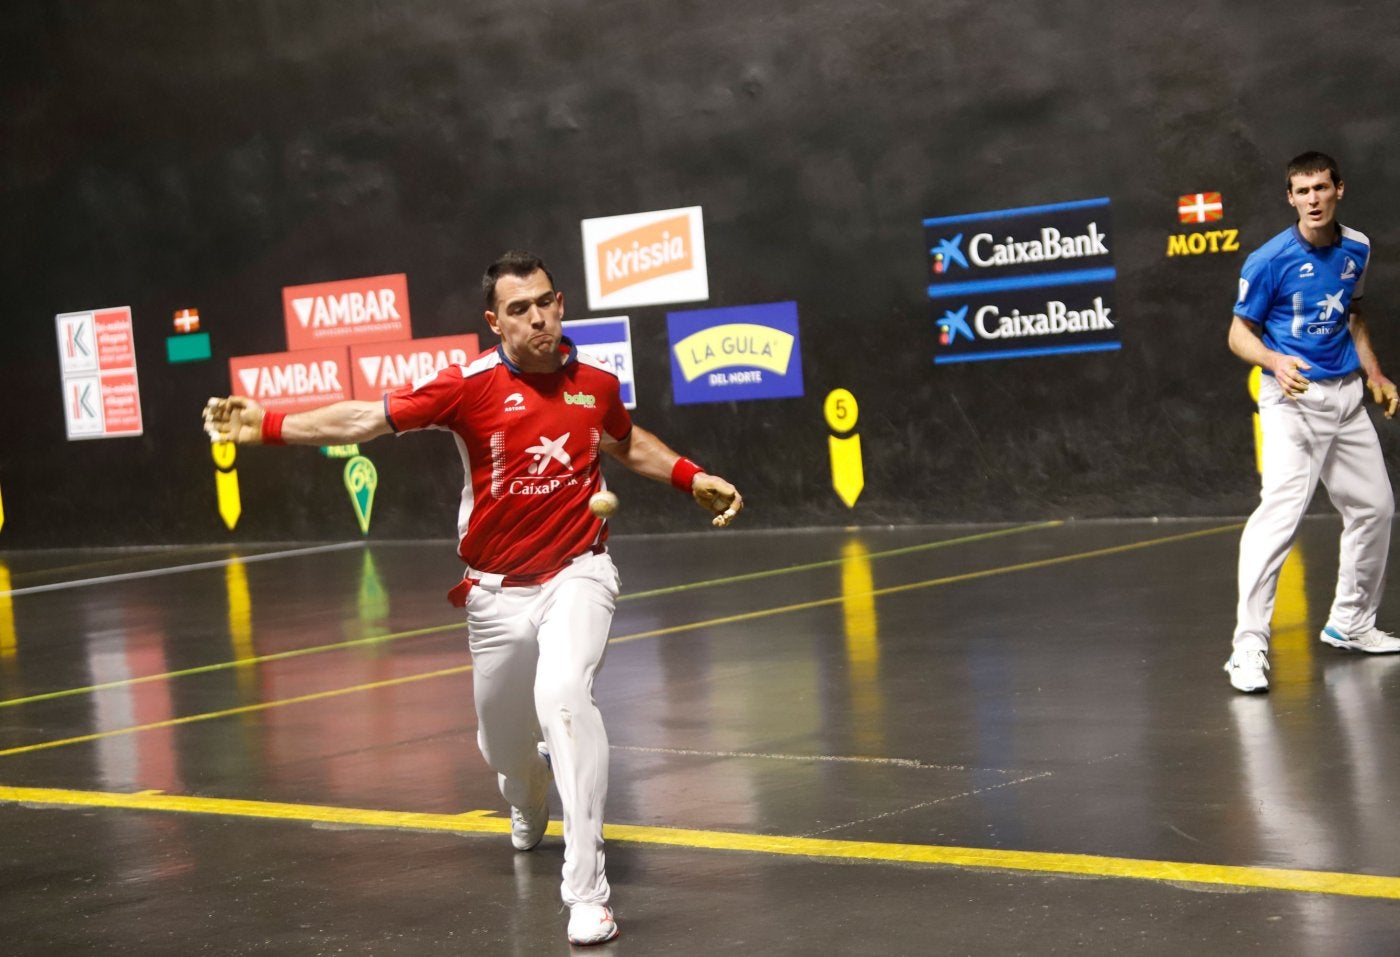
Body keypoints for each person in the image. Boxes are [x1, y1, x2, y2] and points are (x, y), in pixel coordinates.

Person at [203, 250, 743, 944]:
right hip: (495, 596)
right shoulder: (469, 386)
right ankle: (526, 790)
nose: (537, 316)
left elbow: (625, 439)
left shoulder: (596, 384)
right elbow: (365, 418)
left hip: (579, 572)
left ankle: (586, 891)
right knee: (504, 748)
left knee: (566, 700)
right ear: (495, 322)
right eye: (519, 309)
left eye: (545, 301)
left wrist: (690, 475)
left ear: (562, 303)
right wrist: (268, 425)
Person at [1224, 151, 1400, 693]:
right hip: (1291, 400)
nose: (1313, 199)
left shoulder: (1358, 247)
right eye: (1302, 192)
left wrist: (1375, 373)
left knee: (1375, 508)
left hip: (1346, 397)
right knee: (1279, 515)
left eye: (1321, 188)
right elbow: (1238, 335)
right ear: (1291, 198)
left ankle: (1351, 624)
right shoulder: (1268, 259)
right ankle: (1248, 646)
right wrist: (1274, 361)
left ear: (1338, 190)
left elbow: (1352, 313)